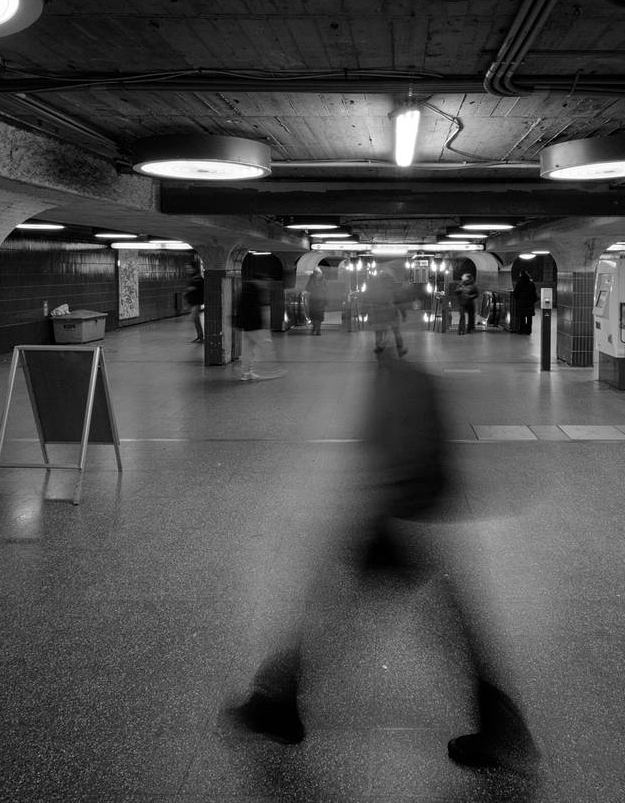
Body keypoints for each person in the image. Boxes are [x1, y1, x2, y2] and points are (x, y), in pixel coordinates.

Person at [225, 352, 540, 778]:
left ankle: (277, 703)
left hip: (398, 506)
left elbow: (398, 428)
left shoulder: (396, 361)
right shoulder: (395, 362)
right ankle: (277, 702)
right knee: (390, 607)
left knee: (344, 602)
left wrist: (385, 488)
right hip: (401, 502)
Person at [235, 275, 281, 381]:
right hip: (254, 325)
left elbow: (241, 307)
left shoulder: (247, 290)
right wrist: (263, 324)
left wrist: (240, 323)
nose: (265, 284)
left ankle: (246, 373)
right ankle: (273, 370)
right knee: (266, 346)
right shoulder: (253, 291)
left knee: (248, 350)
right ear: (258, 280)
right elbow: (254, 309)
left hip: (247, 326)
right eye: (264, 282)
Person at [367, 269, 407, 356]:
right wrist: (403, 314)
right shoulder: (394, 286)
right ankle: (400, 349)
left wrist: (370, 315)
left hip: (379, 312)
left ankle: (379, 346)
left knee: (379, 331)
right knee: (396, 331)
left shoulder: (376, 287)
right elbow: (399, 300)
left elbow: (371, 300)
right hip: (392, 312)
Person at [302, 270, 326, 335]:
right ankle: (317, 329)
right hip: (319, 299)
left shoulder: (314, 279)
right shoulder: (321, 280)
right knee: (317, 315)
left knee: (315, 315)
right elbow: (326, 290)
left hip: (316, 299)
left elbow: (307, 288)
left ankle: (316, 329)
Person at [185, 271, 205, 343]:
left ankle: (200, 336)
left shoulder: (198, 279)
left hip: (197, 302)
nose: (188, 270)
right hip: (194, 302)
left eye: (189, 268)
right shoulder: (195, 278)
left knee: (195, 318)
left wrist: (191, 288)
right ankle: (200, 336)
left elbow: (195, 289)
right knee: (196, 320)